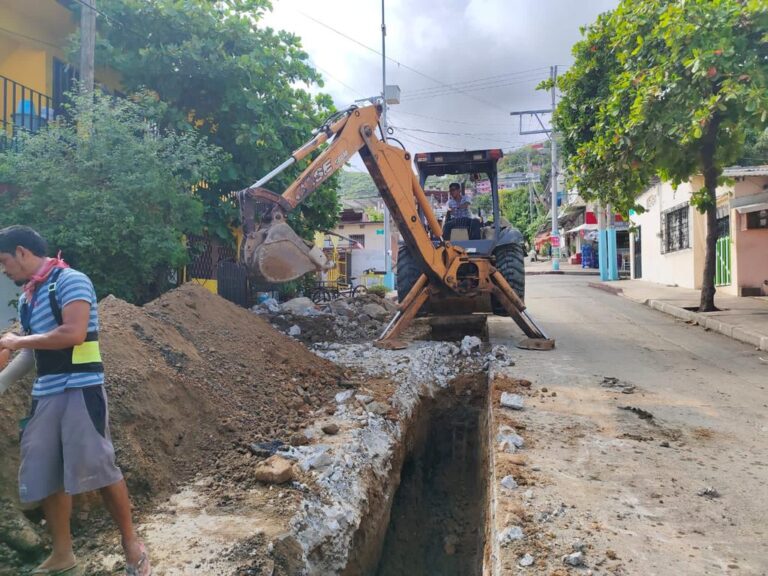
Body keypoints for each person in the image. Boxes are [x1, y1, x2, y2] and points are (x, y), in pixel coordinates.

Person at [0, 225, 151, 576]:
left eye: (5, 261)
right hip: (46, 393)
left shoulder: (71, 281)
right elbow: (32, 351)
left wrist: (16, 342)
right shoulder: (28, 298)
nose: (4, 270)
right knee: (46, 469)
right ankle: (63, 554)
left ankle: (132, 545)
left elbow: (74, 333)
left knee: (99, 466)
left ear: (22, 252)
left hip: (81, 389)